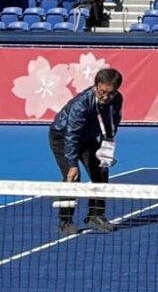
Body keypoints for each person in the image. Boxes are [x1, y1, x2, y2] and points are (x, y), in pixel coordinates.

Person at [48, 68, 123, 236]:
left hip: (88, 138)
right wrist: (72, 164)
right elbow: (72, 134)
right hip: (63, 137)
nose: (106, 97)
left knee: (101, 172)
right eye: (102, 92)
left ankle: (95, 216)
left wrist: (106, 149)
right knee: (73, 177)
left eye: (110, 93)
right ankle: (65, 221)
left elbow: (112, 124)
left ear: (116, 90)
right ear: (95, 86)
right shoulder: (81, 104)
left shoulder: (117, 99)